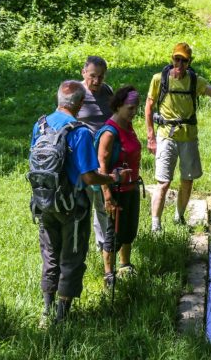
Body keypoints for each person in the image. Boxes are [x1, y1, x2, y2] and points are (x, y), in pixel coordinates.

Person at [31, 80, 123, 324]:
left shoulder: (40, 126)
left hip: (44, 201)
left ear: (59, 99)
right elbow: (89, 176)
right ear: (80, 104)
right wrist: (111, 178)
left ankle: (46, 311)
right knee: (71, 257)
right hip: (72, 206)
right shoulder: (80, 132)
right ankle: (62, 317)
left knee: (50, 255)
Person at [144, 42, 211, 232]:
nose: (179, 64)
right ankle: (156, 226)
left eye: (184, 61)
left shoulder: (195, 81)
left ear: (189, 62)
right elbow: (148, 106)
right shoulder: (159, 79)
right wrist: (151, 137)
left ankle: (179, 217)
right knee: (163, 183)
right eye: (176, 59)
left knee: (187, 180)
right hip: (166, 136)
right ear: (172, 59)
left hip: (188, 136)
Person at [95, 85, 142, 288]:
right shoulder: (109, 132)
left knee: (129, 230)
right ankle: (109, 275)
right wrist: (107, 196)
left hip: (131, 187)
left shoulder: (128, 126)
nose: (134, 112)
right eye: (130, 108)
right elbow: (101, 167)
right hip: (116, 191)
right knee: (113, 234)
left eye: (136, 108)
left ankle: (125, 265)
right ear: (118, 106)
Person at [77, 56, 113, 253]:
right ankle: (79, 246)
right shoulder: (75, 92)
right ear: (83, 73)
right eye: (92, 76)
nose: (97, 80)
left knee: (102, 202)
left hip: (104, 157)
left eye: (101, 76)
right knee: (82, 204)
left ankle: (103, 246)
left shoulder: (107, 91)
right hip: (83, 158)